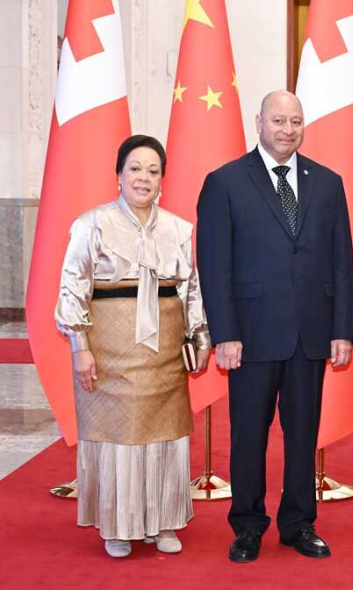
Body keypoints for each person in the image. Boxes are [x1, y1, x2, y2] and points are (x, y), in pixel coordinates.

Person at [196, 90, 353, 563]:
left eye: (296, 121)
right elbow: (215, 265)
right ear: (259, 122)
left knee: (303, 434)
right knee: (249, 434)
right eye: (279, 121)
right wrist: (225, 333)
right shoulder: (225, 182)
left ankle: (299, 523)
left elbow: (342, 261)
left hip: (310, 333)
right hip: (250, 335)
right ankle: (247, 526)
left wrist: (342, 329)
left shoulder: (327, 183)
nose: (288, 130)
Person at [55, 134, 211, 558]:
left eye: (153, 171)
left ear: (162, 180)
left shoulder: (179, 229)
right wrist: (80, 346)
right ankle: (118, 526)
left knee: (165, 436)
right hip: (108, 352)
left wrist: (200, 336)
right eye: (135, 169)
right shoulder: (92, 224)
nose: (144, 177)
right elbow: (72, 287)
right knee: (117, 438)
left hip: (165, 352)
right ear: (119, 175)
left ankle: (163, 522)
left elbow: (191, 290)